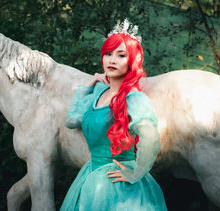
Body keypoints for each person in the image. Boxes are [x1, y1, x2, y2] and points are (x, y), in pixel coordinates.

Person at [60, 20, 167, 211]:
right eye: (108, 54)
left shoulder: (134, 98)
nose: (112, 60)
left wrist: (136, 173)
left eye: (121, 55)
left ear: (132, 61)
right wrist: (90, 82)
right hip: (90, 178)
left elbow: (150, 137)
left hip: (118, 183)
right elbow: (71, 120)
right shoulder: (98, 92)